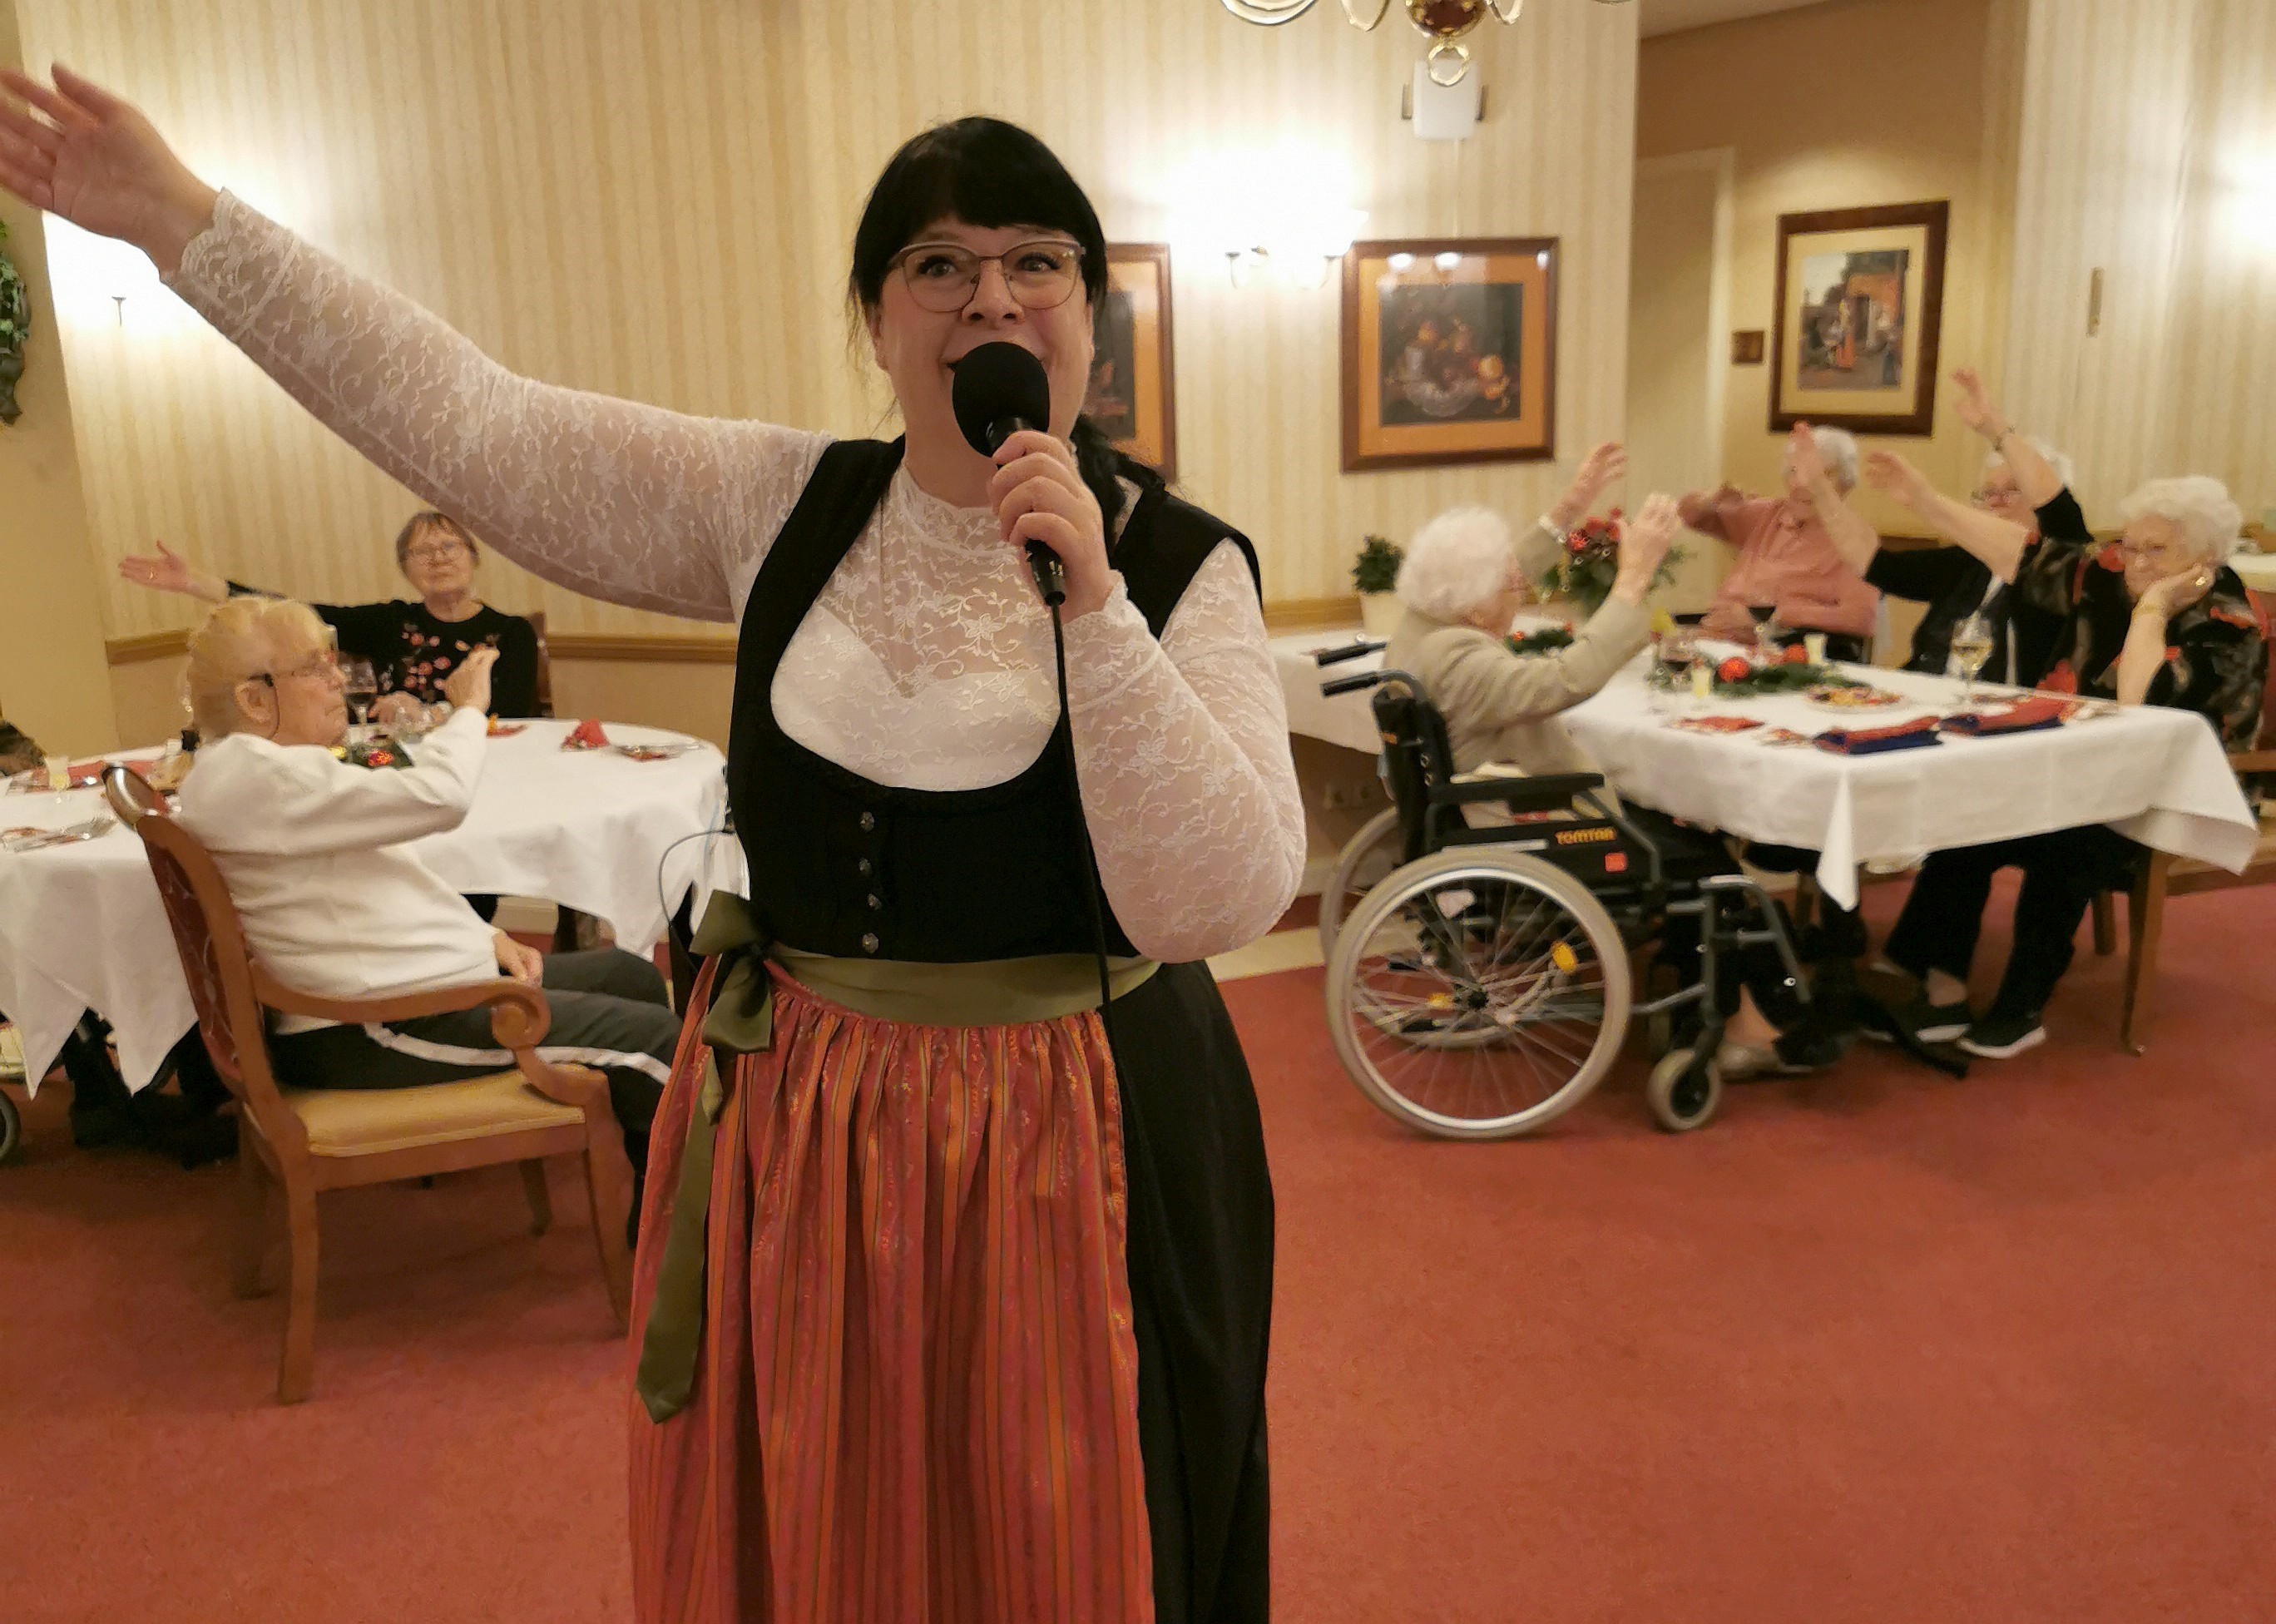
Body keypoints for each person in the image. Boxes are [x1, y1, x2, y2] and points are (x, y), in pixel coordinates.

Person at [1, 70, 1302, 1621]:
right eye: (937, 264)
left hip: (1078, 1139)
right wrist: (180, 222)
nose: (991, 297)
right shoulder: (779, 502)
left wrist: (1093, 608)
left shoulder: (1178, 565)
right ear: (877, 320)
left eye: (1037, 260)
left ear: (1090, 311)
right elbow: (479, 423)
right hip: (812, 1123)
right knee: (837, 1511)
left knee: (1065, 1524)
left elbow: (1218, 896)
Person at [169, 596, 675, 1211]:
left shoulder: (267, 767)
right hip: (373, 1026)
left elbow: (387, 835)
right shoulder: (258, 779)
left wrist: (485, 937)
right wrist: (468, 711)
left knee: (629, 975)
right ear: (254, 699)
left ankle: (655, 1194)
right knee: (656, 1039)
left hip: (402, 990)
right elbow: (442, 795)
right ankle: (689, 1227)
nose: (338, 680)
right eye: (314, 668)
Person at [1863, 403, 2267, 1057]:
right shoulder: (2110, 574)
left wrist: (2154, 609)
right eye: (2130, 544)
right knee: (1970, 813)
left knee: (2068, 841)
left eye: (2156, 550)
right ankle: (1942, 990)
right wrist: (1927, 502)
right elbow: (2023, 555)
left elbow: (2139, 703)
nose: (2134, 562)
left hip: (2171, 794)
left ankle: (2021, 1007)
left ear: (2207, 558)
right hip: (2083, 770)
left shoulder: (2229, 625)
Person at [1386, 491, 1835, 1078]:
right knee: (1708, 862)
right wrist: (1633, 577)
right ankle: (1752, 1027)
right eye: (1511, 584)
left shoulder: (1422, 633)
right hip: (1524, 827)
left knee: (1671, 831)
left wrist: (1572, 511)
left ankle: (1711, 1000)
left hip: (1489, 812)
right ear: (1472, 606)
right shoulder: (1460, 658)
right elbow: (1565, 679)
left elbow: (1504, 618)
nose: (1520, 592)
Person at [1792, 371, 2072, 684]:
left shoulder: (2059, 577)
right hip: (1919, 694)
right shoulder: (1966, 562)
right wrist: (1819, 489)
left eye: (2012, 490)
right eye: (1988, 493)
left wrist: (1996, 431)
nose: (1995, 501)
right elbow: (1872, 561)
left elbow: (2061, 522)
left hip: (1997, 711)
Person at [118, 511, 544, 717]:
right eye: (422, 552)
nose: (438, 559)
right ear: (405, 569)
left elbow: (512, 720)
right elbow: (295, 611)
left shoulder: (511, 633)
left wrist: (426, 713)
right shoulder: (390, 622)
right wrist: (198, 583)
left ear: (473, 556)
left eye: (449, 546)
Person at [1680, 425, 1881, 657]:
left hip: (1774, 656)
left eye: (1821, 476)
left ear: (1846, 484)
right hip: (1709, 643)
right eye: (1795, 472)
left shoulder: (1854, 540)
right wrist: (1712, 498)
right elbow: (1690, 516)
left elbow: (1860, 618)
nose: (1803, 484)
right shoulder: (1767, 514)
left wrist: (1772, 615)